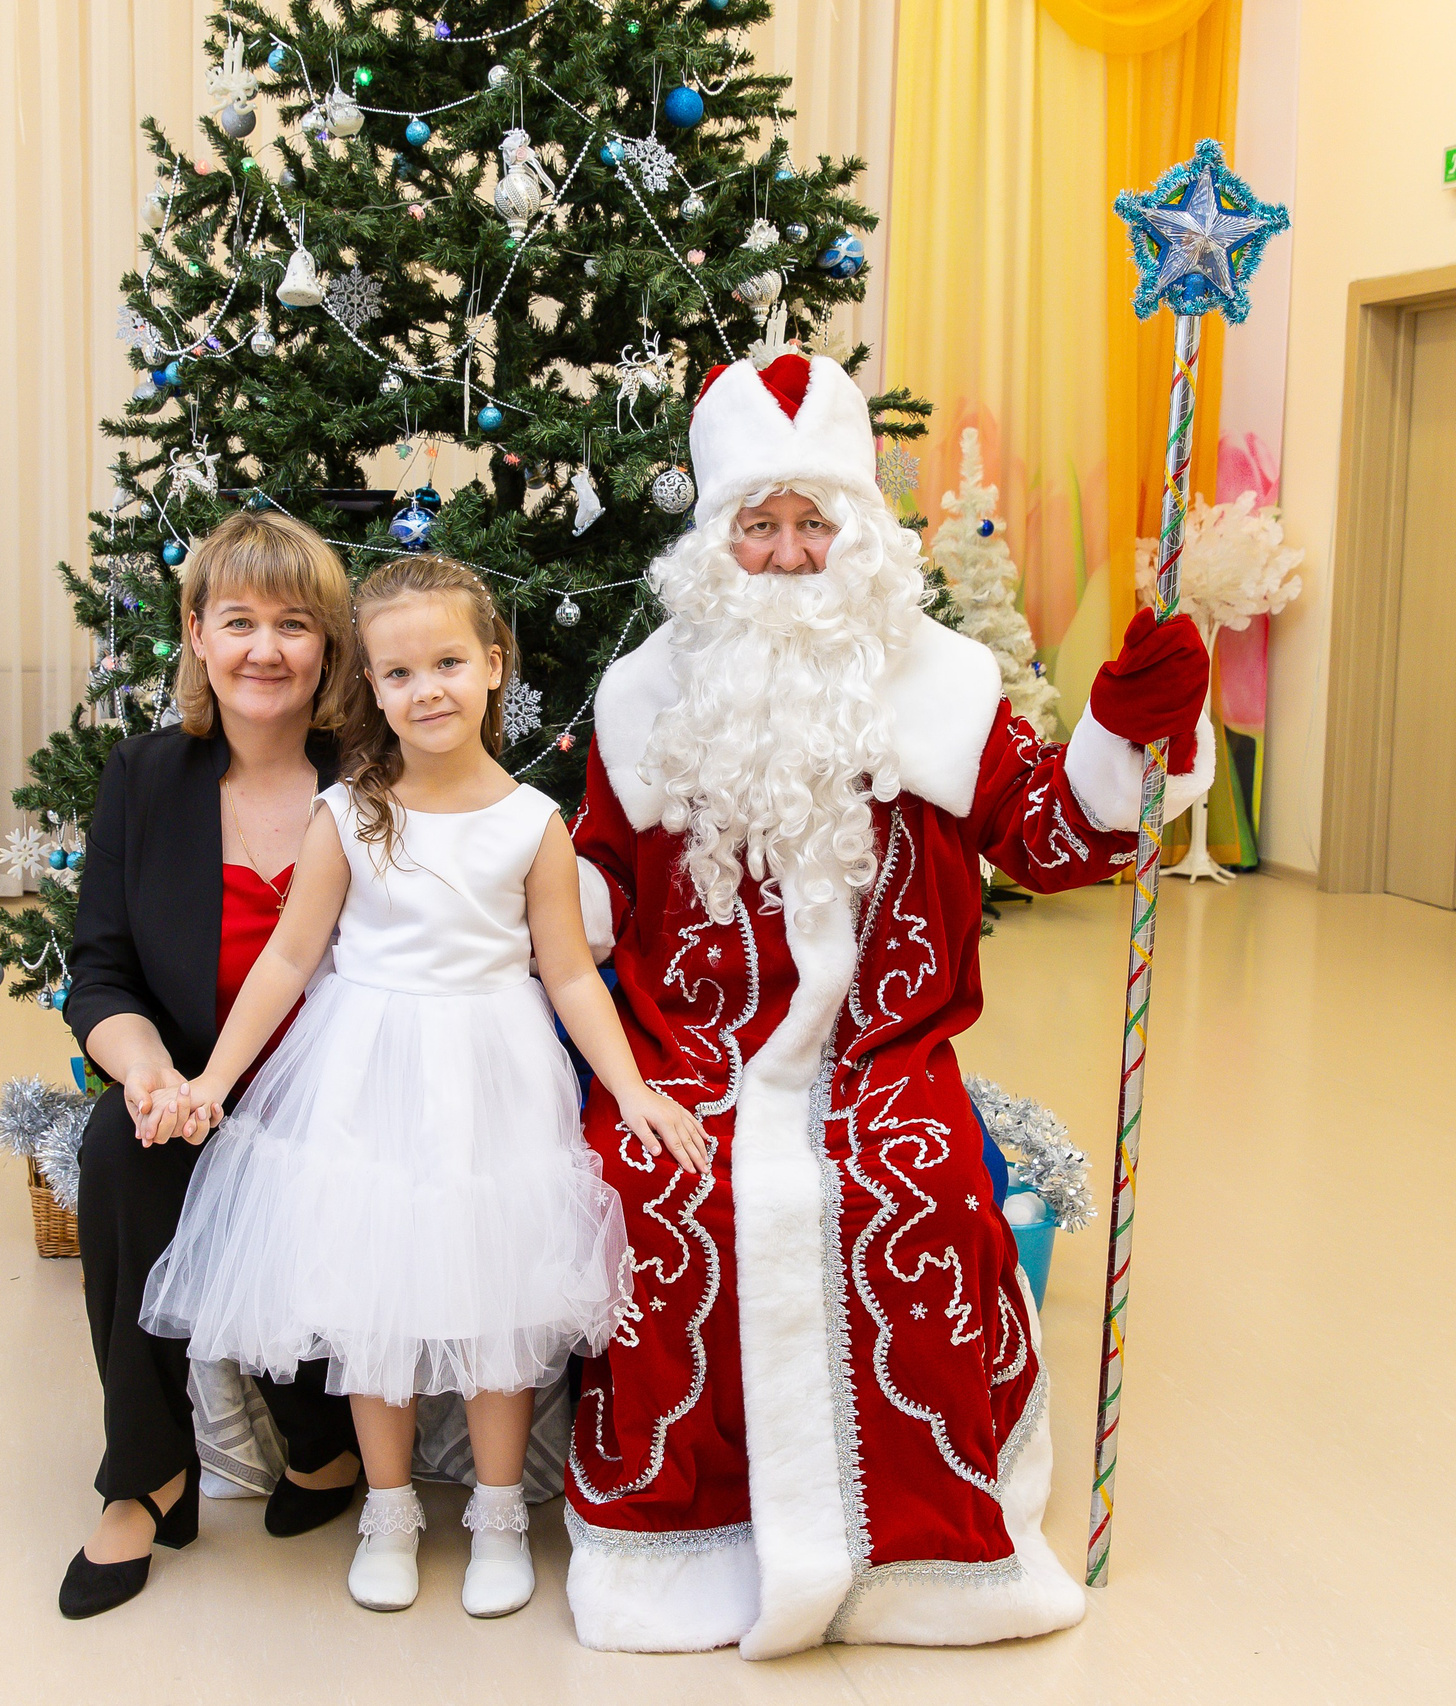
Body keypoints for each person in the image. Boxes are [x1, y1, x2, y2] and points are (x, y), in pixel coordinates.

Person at [559, 351, 1216, 1657]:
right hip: (690, 1049)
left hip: (881, 1053)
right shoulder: (644, 697)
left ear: (859, 532)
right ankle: (677, 1550)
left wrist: (1127, 737)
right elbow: (582, 876)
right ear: (717, 537)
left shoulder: (945, 680)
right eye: (762, 523)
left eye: (816, 523)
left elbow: (1057, 836)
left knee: (912, 1181)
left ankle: (924, 1558)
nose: (792, 553)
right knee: (655, 1184)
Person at [137, 555, 708, 1619]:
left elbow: (570, 970)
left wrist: (630, 1088)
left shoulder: (532, 821)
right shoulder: (349, 813)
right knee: (373, 1295)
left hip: (491, 1070)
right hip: (363, 1070)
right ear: (372, 685)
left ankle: (497, 1512)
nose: (427, 688)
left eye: (449, 661)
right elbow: (287, 959)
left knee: (496, 1297)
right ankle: (389, 1505)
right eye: (398, 672)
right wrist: (215, 1075)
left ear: (493, 665)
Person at [57, 510, 369, 1621]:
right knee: (117, 1146)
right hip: (193, 1085)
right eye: (238, 621)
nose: (265, 649)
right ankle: (147, 1476)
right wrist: (144, 1071)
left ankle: (326, 1449)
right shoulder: (146, 776)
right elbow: (99, 972)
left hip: (350, 1097)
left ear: (328, 644)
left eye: (294, 624)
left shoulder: (375, 775)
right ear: (195, 633)